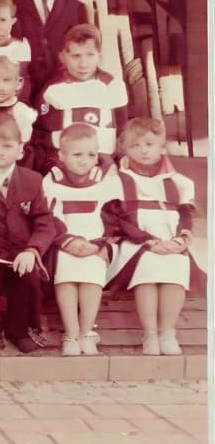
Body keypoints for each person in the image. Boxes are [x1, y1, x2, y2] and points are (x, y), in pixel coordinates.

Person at [105, 118, 202, 356]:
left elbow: (185, 214)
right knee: (148, 265)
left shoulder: (176, 181)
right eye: (135, 146)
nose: (143, 151)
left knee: (177, 263)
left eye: (149, 144)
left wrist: (181, 239)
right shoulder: (117, 179)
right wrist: (147, 241)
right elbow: (118, 219)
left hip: (170, 241)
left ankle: (167, 331)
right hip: (136, 243)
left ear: (162, 147)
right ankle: (149, 332)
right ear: (124, 149)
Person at [0, 110, 57, 353]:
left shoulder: (32, 180)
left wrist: (32, 249)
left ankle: (18, 328)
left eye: (7, 146)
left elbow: (44, 222)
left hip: (20, 249)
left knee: (28, 272)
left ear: (20, 149)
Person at [42, 124, 121, 356]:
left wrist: (102, 243)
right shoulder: (53, 180)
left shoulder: (104, 179)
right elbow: (50, 216)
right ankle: (71, 333)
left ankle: (87, 331)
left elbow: (113, 214)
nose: (84, 160)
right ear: (62, 155)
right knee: (66, 276)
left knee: (92, 276)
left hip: (95, 243)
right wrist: (68, 241)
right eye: (77, 154)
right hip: (65, 243)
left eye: (91, 155)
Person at [33, 23, 127, 171]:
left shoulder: (112, 87)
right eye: (76, 56)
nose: (83, 63)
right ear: (63, 57)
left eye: (90, 55)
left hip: (104, 160)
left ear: (99, 56)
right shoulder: (53, 90)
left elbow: (122, 129)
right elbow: (42, 132)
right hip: (62, 162)